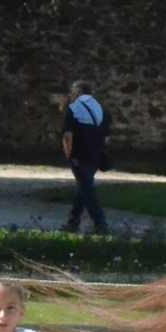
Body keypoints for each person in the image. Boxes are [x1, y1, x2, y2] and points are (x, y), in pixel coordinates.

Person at [61, 80, 110, 234]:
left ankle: (100, 223)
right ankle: (72, 222)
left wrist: (68, 154)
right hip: (96, 156)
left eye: (72, 91)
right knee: (84, 187)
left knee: (87, 189)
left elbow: (68, 135)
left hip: (79, 155)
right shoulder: (102, 109)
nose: (71, 94)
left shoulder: (74, 108)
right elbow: (107, 138)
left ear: (78, 92)